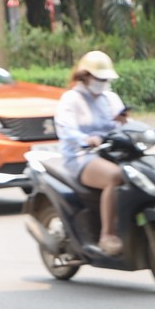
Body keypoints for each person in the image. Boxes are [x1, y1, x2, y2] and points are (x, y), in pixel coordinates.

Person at [54, 51, 129, 255]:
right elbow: (66, 129)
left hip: (110, 153)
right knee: (115, 176)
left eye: (106, 79)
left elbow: (122, 124)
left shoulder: (110, 98)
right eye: (99, 78)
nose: (103, 83)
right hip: (81, 156)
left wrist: (125, 123)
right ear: (85, 76)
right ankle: (107, 236)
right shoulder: (71, 99)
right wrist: (86, 139)